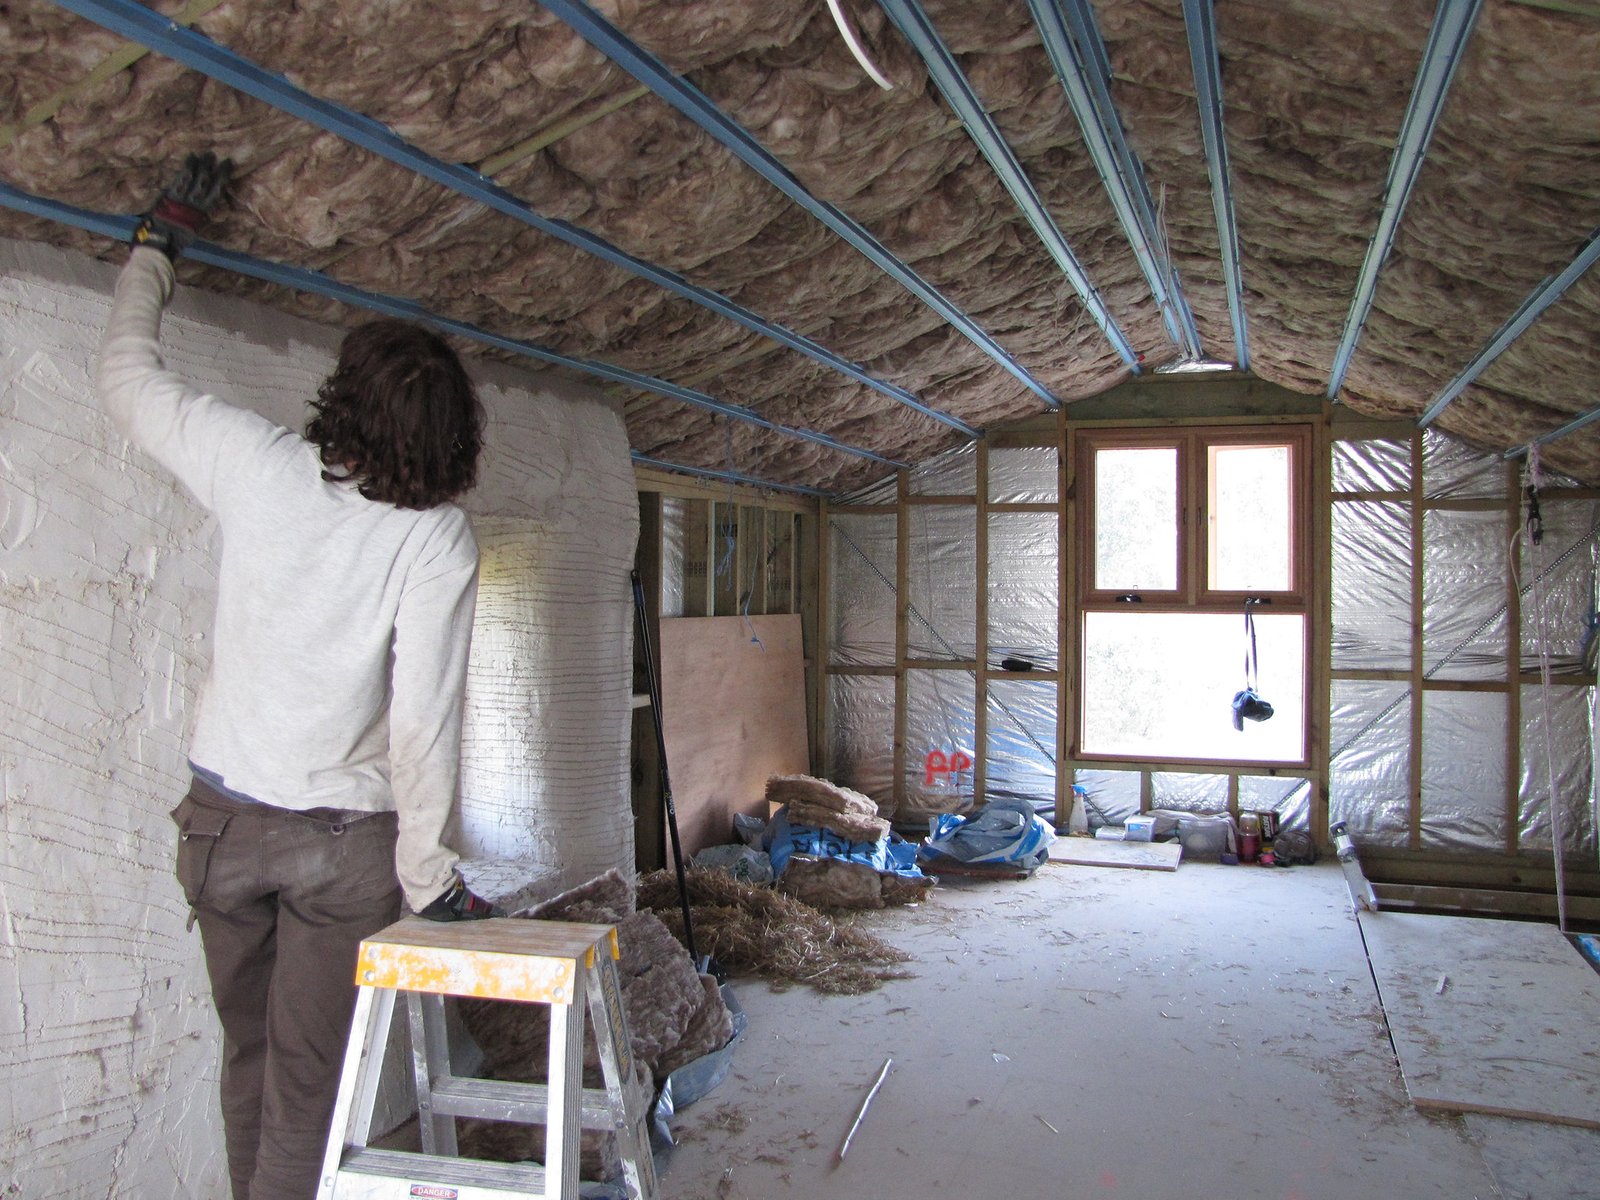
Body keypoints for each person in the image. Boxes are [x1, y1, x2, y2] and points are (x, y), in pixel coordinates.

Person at [97, 152, 502, 1200]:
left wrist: (155, 250)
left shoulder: (256, 462)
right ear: (450, 439)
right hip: (338, 849)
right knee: (305, 1088)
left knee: (248, 1062)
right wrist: (431, 882)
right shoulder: (434, 539)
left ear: (343, 401)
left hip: (221, 830)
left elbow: (127, 378)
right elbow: (422, 723)